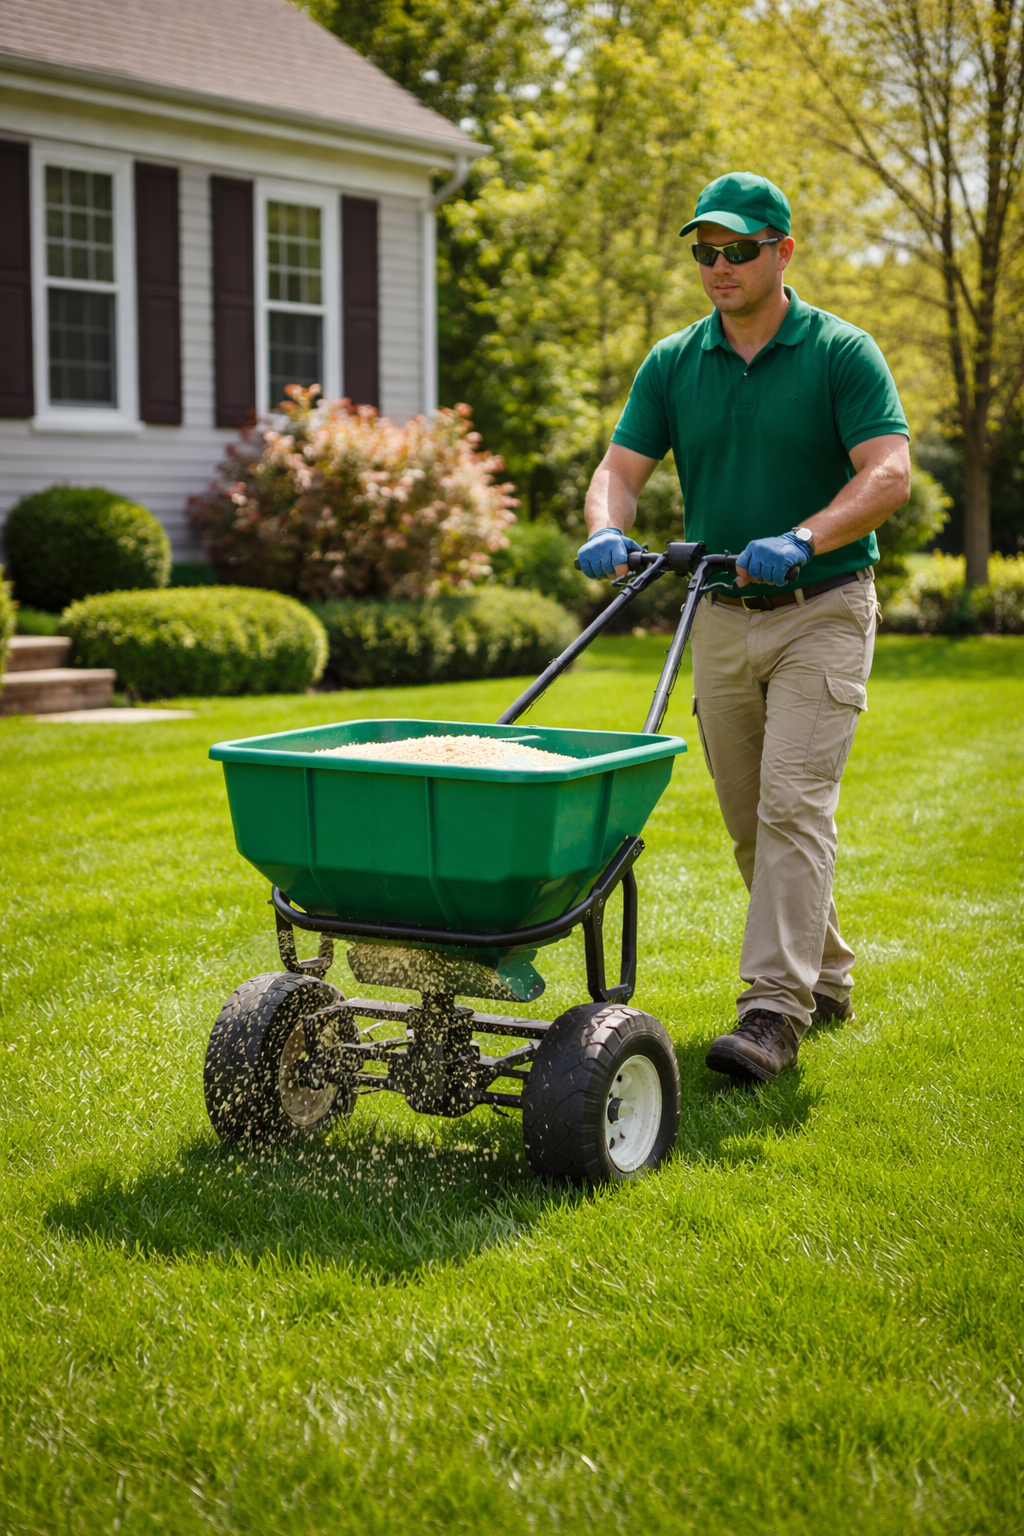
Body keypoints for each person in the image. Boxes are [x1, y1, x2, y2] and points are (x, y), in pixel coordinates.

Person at [577, 172, 910, 1085]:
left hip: (825, 610)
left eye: (738, 250)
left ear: (783, 251)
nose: (718, 267)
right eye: (705, 252)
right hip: (718, 612)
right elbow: (620, 466)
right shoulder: (675, 360)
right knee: (749, 826)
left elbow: (887, 475)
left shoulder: (841, 351)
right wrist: (608, 524)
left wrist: (804, 536)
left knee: (793, 804)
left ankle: (772, 1012)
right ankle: (828, 973)